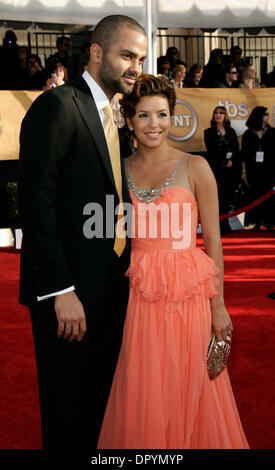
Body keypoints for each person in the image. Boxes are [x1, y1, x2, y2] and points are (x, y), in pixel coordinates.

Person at [97, 75, 249, 449]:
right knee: (143, 385)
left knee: (190, 384)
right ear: (130, 119)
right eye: (145, 115)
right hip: (138, 296)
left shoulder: (195, 166)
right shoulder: (119, 171)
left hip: (188, 297)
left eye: (162, 114)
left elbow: (213, 241)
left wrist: (219, 307)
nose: (155, 124)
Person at [18, 14, 147, 449]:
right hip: (68, 295)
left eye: (141, 58)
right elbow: (37, 207)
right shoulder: (58, 106)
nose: (136, 66)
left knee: (99, 408)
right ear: (95, 53)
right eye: (126, 55)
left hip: (111, 287)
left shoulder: (113, 115)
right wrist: (60, 290)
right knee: (67, 412)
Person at [204, 106, 240, 235]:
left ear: (225, 116)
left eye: (221, 113)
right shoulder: (209, 132)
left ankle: (225, 224)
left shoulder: (231, 131)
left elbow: (236, 149)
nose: (218, 115)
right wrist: (224, 162)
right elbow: (212, 151)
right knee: (218, 198)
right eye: (216, 113)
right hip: (217, 170)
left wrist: (231, 162)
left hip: (231, 171)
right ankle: (220, 226)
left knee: (227, 197)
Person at [241, 106, 275, 231]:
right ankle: (256, 221)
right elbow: (243, 155)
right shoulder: (248, 134)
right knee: (255, 195)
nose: (267, 116)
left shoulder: (272, 132)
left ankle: (270, 222)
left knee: (270, 196)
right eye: (265, 114)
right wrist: (244, 172)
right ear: (259, 116)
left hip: (270, 170)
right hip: (253, 170)